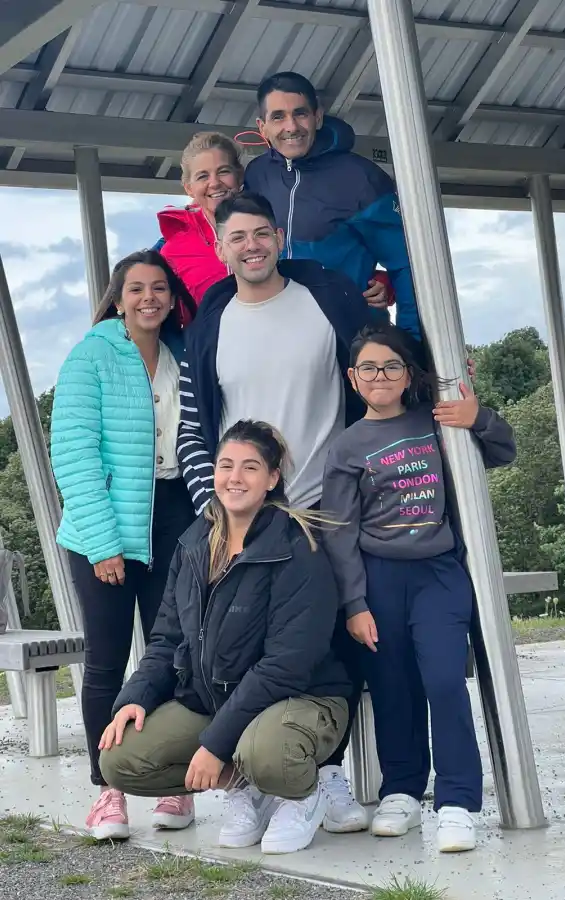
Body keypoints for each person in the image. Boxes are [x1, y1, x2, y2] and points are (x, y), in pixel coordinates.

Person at [176, 190, 372, 834]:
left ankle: (326, 774)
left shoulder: (326, 297)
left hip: (323, 505)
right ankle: (255, 778)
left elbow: (379, 366)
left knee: (336, 644)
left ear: (280, 236)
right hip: (244, 512)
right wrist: (214, 502)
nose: (251, 245)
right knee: (251, 646)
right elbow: (197, 419)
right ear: (220, 245)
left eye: (262, 233)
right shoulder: (214, 317)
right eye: (238, 237)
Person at [98, 420, 352, 855]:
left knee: (266, 752)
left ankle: (303, 795)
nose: (235, 478)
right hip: (214, 699)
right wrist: (136, 696)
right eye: (226, 465)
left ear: (272, 479)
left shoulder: (299, 548)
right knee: (120, 760)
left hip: (303, 699)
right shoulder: (194, 543)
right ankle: (247, 786)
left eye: (250, 467)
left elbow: (285, 667)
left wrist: (216, 743)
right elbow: (165, 637)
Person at [320, 323, 517, 853]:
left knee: (444, 681)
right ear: (353, 378)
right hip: (379, 580)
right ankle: (402, 791)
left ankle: (456, 802)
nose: (380, 376)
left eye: (391, 366)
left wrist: (480, 419)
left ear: (408, 374)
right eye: (368, 368)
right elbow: (339, 533)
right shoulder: (345, 447)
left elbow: (503, 452)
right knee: (392, 687)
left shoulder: (439, 424)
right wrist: (355, 604)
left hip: (438, 575)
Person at [50, 250, 197, 841]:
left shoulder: (182, 353)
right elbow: (75, 456)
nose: (148, 298)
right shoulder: (91, 355)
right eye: (136, 288)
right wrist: (106, 544)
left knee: (173, 654)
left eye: (159, 288)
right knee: (108, 661)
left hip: (173, 515)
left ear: (171, 296)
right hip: (104, 525)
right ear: (117, 296)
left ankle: (170, 781)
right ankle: (107, 789)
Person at [245, 71, 418, 334]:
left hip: (350, 339)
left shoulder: (362, 179)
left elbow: (406, 265)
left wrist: (411, 344)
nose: (291, 127)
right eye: (278, 116)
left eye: (300, 113)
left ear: (318, 116)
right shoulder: (256, 175)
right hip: (275, 336)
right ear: (262, 127)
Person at [155, 131, 390, 322]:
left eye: (223, 171)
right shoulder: (174, 248)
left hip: (292, 339)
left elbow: (323, 260)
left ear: (240, 175)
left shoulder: (275, 217)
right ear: (188, 187)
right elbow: (153, 297)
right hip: (221, 360)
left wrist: (379, 281)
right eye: (202, 176)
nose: (214, 183)